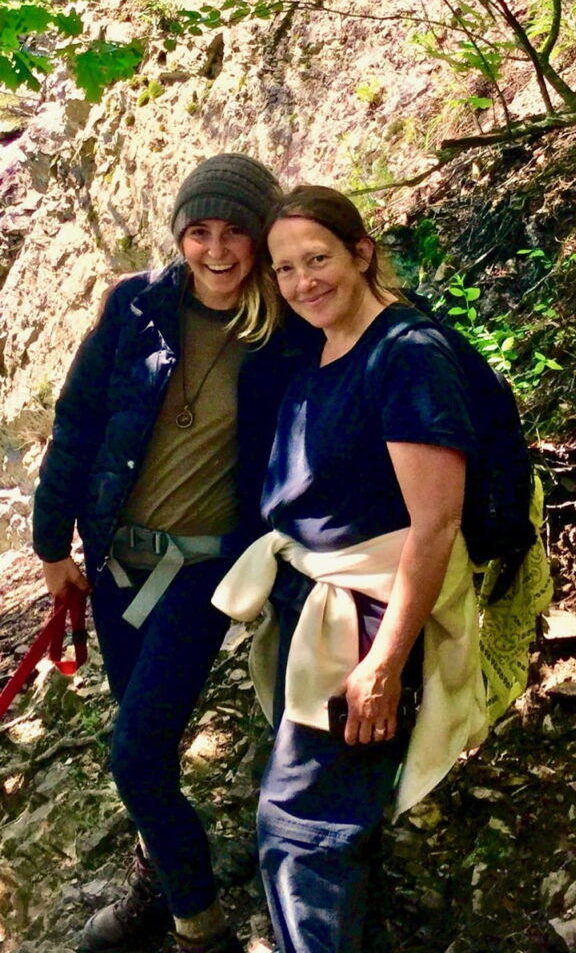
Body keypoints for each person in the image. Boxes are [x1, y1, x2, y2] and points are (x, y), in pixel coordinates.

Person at [212, 185, 489, 953]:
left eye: (318, 259)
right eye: (286, 269)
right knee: (319, 820)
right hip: (321, 605)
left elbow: (432, 524)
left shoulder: (405, 355)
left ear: (362, 252)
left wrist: (384, 664)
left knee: (303, 830)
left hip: (367, 615)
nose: (303, 282)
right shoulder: (324, 352)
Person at [32, 153, 293, 953]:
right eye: (198, 231)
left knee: (137, 752)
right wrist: (51, 545)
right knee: (140, 735)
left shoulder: (287, 330)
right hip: (113, 564)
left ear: (261, 238)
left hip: (204, 572)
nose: (216, 250)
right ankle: (160, 871)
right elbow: (77, 423)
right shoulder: (133, 307)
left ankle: (196, 923)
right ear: (179, 234)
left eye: (234, 233)